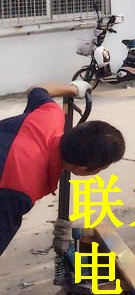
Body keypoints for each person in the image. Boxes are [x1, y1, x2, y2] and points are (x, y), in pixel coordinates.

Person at [0, 80, 125, 257]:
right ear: (83, 169)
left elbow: (37, 90)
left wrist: (74, 89)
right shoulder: (21, 189)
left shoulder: (50, 114)